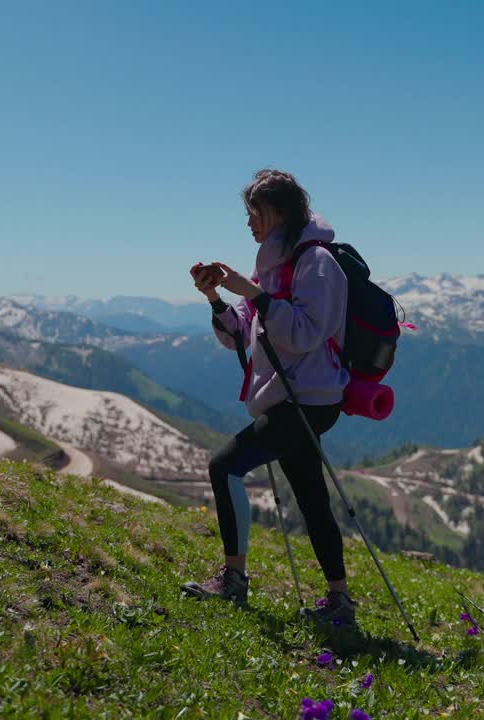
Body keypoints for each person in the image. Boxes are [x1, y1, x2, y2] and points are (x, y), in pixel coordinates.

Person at [181, 169, 356, 626]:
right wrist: (218, 299)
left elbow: (304, 333)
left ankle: (234, 579)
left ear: (279, 212)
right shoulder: (272, 263)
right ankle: (340, 603)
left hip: (309, 401)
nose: (249, 223)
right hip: (291, 398)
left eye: (254, 213)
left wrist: (254, 293)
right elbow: (240, 333)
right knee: (311, 494)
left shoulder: (317, 263)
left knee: (225, 466)